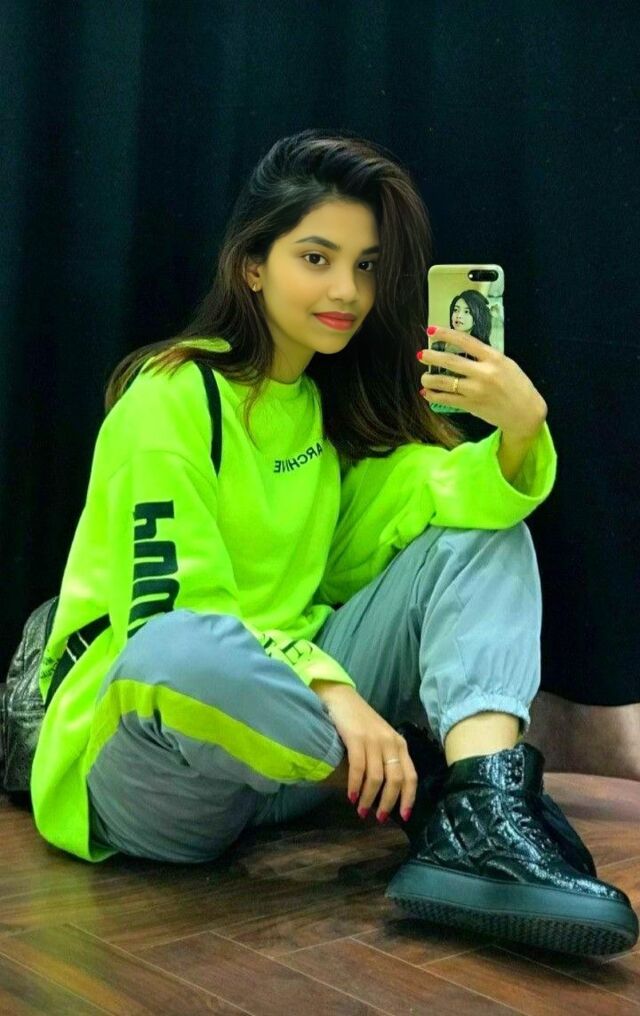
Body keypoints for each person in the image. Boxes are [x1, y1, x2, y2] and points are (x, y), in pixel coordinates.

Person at [31, 128, 638, 958]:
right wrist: (334, 691)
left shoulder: (320, 412)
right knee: (179, 650)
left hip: (287, 766)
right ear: (253, 265)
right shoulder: (169, 396)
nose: (347, 291)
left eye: (365, 265)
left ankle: (482, 815)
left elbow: (436, 498)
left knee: (485, 535)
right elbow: (170, 618)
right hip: (158, 771)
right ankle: (414, 779)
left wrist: (522, 428)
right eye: (316, 258)